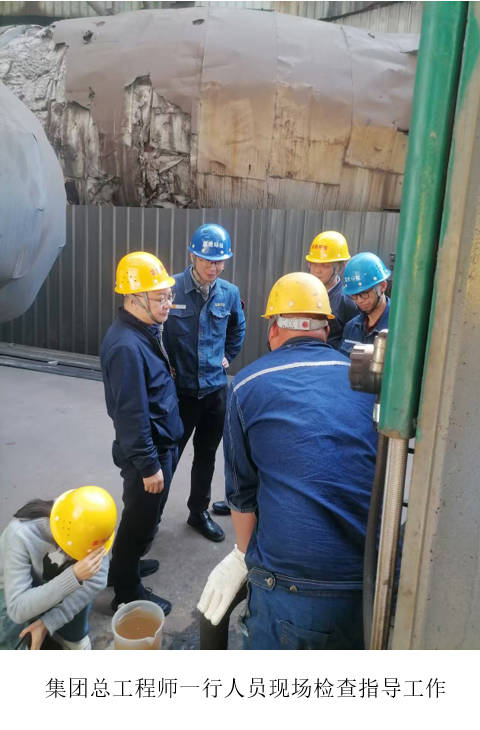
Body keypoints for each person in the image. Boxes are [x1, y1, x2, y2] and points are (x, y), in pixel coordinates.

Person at [197, 272, 378, 649]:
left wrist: (242, 555)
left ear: (274, 329)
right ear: (325, 329)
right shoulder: (365, 382)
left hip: (290, 586)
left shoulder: (247, 385)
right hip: (369, 577)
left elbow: (242, 494)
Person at [100, 251, 183, 615]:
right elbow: (130, 415)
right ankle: (126, 590)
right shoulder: (125, 346)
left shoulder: (144, 330)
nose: (168, 304)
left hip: (160, 442)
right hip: (146, 453)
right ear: (133, 299)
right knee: (139, 519)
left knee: (144, 516)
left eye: (169, 295)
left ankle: (124, 565)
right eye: (160, 297)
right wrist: (149, 465)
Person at [163, 223, 246, 536]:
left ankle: (198, 513)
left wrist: (227, 355)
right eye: (208, 261)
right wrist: (164, 366)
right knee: (168, 457)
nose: (215, 267)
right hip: (179, 394)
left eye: (220, 261)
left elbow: (238, 327)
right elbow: (155, 330)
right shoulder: (171, 288)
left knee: (206, 456)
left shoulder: (229, 293)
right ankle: (149, 519)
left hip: (214, 393)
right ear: (193, 256)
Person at [0, 485, 115, 650]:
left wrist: (48, 623)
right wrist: (74, 576)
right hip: (10, 588)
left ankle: (67, 635)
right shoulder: (21, 534)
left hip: (51, 579)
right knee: (9, 635)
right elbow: (17, 608)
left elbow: (96, 581)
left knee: (82, 584)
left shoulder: (94, 527)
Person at [305, 230, 358, 349]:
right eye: (314, 264)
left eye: (325, 266)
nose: (317, 270)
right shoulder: (301, 294)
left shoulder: (347, 303)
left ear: (341, 267)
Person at [339, 252, 391, 358]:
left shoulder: (397, 327)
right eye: (354, 295)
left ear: (383, 286)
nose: (359, 301)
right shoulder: (351, 328)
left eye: (364, 294)